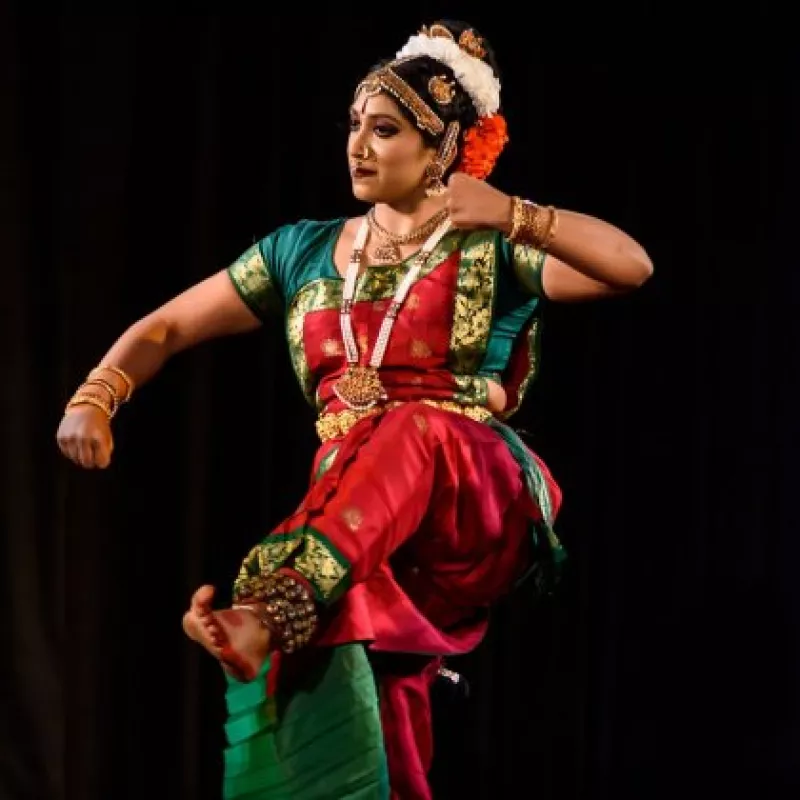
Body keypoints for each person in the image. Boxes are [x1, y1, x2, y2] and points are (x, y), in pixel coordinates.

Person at [56, 19, 653, 800]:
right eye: (353, 126)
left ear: (441, 148)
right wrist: (95, 396)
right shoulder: (301, 252)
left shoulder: (490, 243)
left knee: (407, 429)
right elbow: (164, 327)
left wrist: (514, 214)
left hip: (471, 495)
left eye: (385, 130)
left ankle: (268, 611)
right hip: (362, 516)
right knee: (360, 698)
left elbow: (630, 268)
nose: (358, 146)